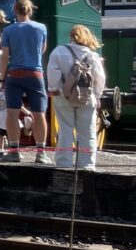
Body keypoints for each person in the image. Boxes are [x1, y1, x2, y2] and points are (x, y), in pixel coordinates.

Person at [46, 24, 107, 170]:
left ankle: (64, 163)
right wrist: (97, 96)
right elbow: (100, 78)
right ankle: (86, 164)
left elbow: (53, 73)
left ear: (71, 36)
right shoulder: (93, 55)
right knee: (87, 131)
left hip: (64, 96)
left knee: (65, 129)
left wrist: (55, 89)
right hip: (87, 97)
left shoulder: (59, 51)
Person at [0, 0, 50, 163]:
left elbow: (5, 56)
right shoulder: (41, 28)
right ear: (30, 10)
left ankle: (14, 151)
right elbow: (42, 49)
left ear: (15, 10)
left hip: (14, 75)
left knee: (12, 113)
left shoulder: (8, 30)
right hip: (35, 74)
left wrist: (1, 77)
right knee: (39, 113)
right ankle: (40, 153)